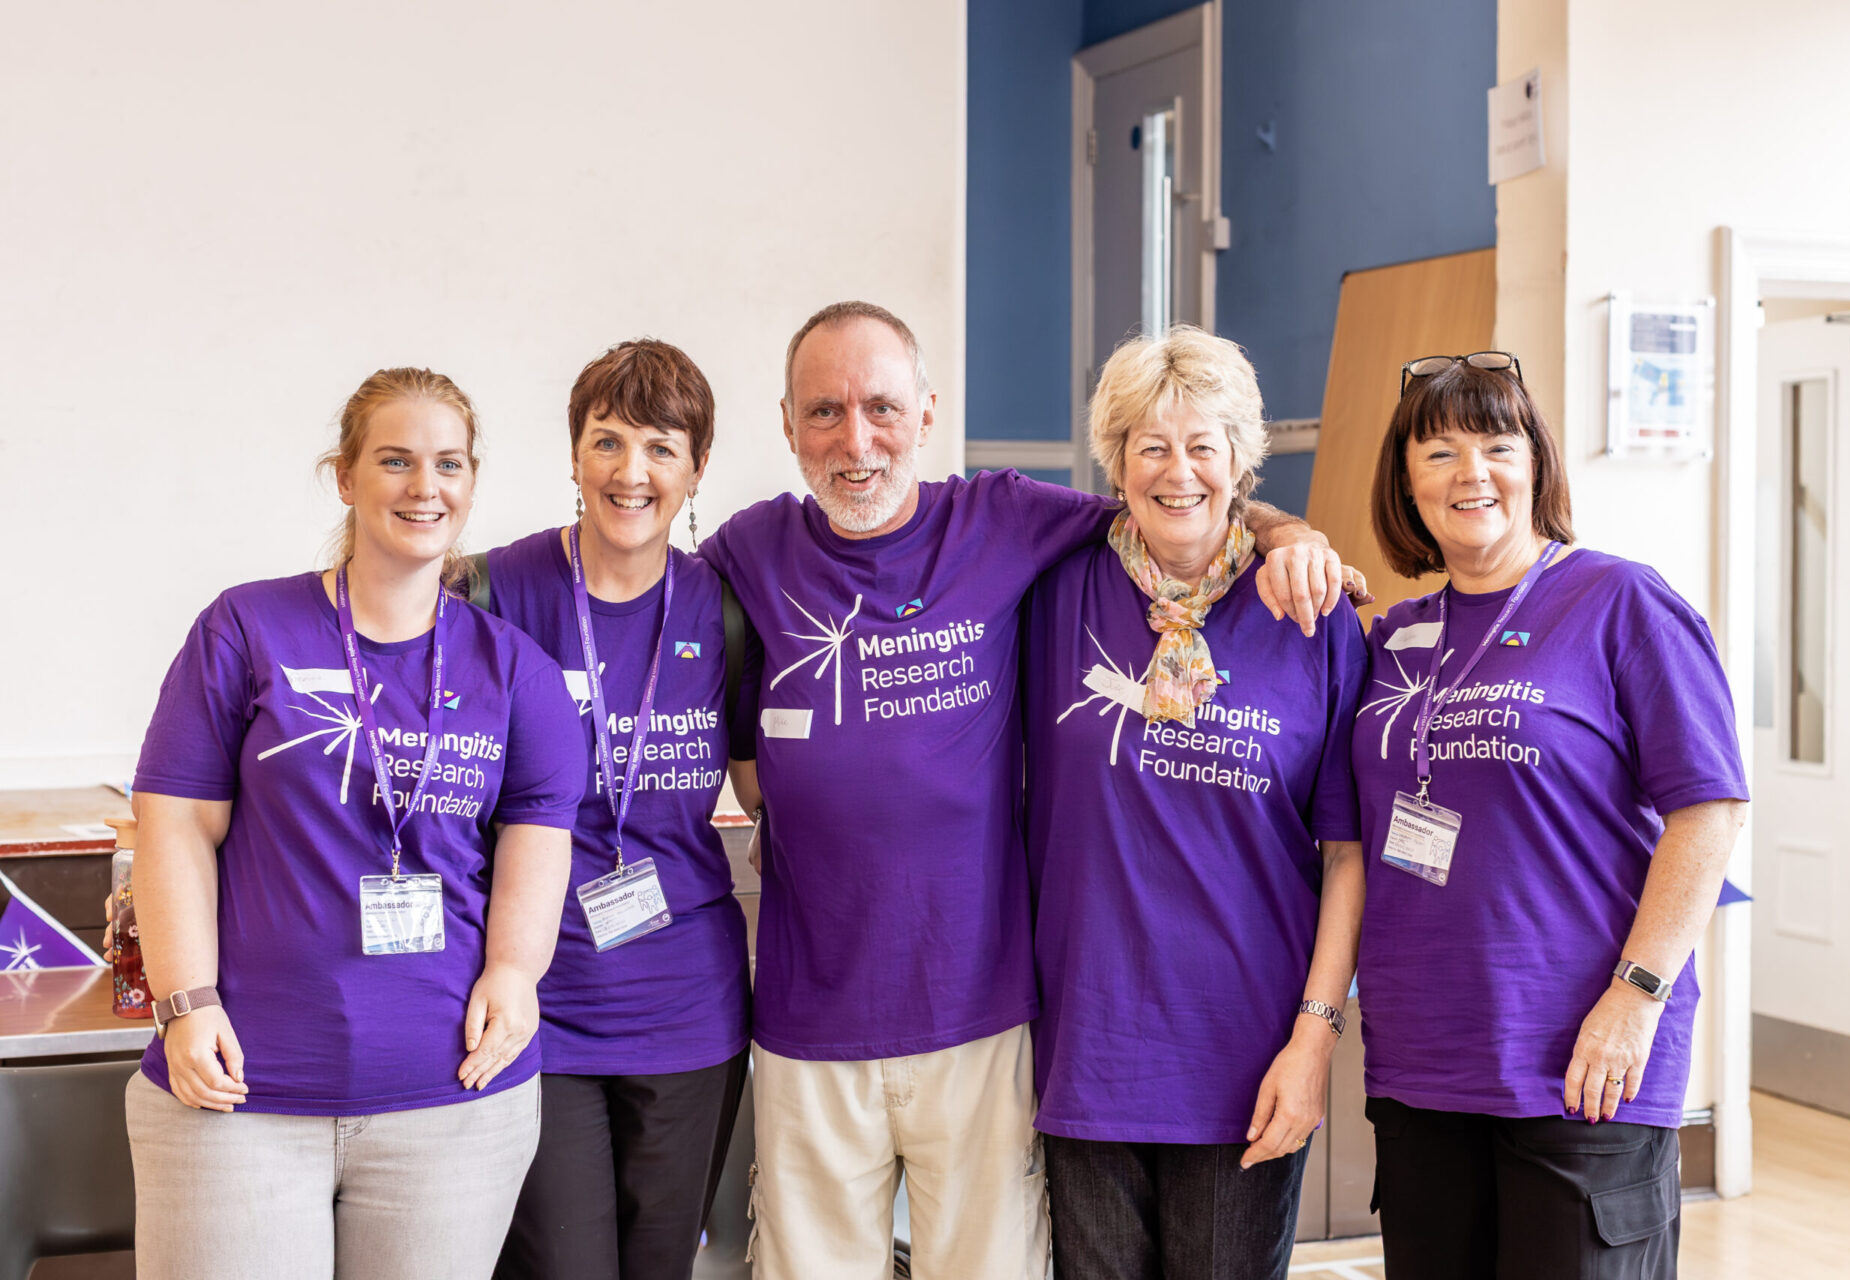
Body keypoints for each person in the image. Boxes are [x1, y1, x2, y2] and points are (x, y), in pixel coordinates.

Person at [699, 301, 1356, 1279]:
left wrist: (1290, 527)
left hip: (1061, 1028)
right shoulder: (759, 555)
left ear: (926, 415)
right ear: (788, 426)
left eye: (880, 406)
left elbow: (1193, 508)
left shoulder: (1022, 532)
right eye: (825, 411)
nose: (856, 438)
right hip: (929, 1030)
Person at [125, 368, 586, 1280]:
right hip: (239, 1094)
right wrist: (186, 1000)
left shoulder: (514, 670)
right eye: (396, 460)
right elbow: (175, 822)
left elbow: (540, 828)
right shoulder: (247, 628)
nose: (426, 487)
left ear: (472, 481)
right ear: (345, 476)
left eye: (448, 464)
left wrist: (514, 970)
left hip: (453, 1103)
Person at [1352, 353, 1748, 1280]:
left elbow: (1711, 810)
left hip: (1582, 1058)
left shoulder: (1620, 602)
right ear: (1405, 483)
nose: (1471, 473)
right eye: (1439, 452)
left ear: (1538, 465)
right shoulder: (1392, 633)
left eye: (1497, 445)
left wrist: (1636, 997)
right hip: (1423, 1061)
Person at [1022, 326, 1368, 1279]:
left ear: (1242, 461)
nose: (1179, 472)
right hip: (1087, 1045)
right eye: (1151, 445)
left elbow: (1347, 855)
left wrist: (1315, 1038)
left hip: (1248, 1057)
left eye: (1204, 446)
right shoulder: (1051, 592)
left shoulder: (1311, 613)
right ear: (1117, 462)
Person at [482, 340, 751, 1280]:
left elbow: (771, 794)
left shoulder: (723, 610)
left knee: (662, 1267)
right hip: (534, 1008)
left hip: (689, 1007)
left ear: (696, 468)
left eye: (660, 447)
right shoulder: (494, 592)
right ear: (573, 454)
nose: (630, 473)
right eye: (607, 442)